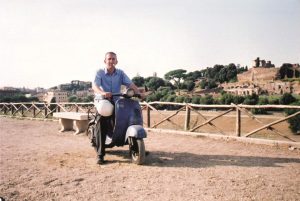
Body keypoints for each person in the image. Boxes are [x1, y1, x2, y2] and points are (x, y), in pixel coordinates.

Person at [92, 52, 142, 164]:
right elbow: (94, 86)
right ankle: (100, 154)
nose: (111, 61)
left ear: (116, 61)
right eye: (109, 59)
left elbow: (130, 84)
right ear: (105, 61)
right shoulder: (99, 72)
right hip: (103, 101)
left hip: (117, 100)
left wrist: (139, 93)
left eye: (113, 59)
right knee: (102, 121)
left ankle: (135, 145)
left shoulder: (120, 73)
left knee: (128, 116)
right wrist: (102, 92)